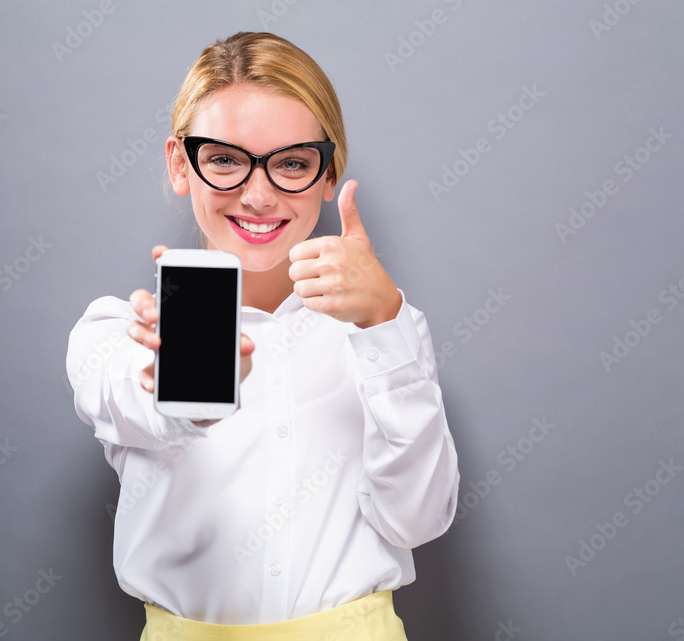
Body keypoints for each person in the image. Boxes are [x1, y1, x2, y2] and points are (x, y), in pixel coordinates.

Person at [67, 31, 459, 640]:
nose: (258, 194)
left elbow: (419, 520)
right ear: (179, 163)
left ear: (328, 174)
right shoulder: (117, 334)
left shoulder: (386, 331)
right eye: (223, 159)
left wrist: (385, 325)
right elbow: (132, 402)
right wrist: (176, 378)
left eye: (293, 163)